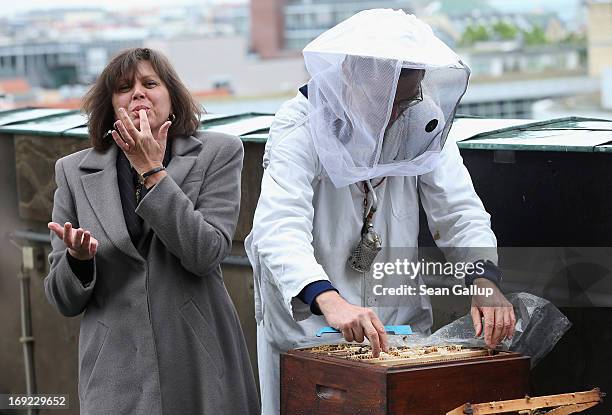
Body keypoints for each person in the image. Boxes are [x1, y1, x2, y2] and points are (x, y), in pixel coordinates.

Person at [245, 9, 516, 414]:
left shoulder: (422, 121)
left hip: (398, 320)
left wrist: (484, 278)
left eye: (407, 99)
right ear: (354, 77)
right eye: (387, 100)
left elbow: (458, 211)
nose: (396, 113)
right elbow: (278, 226)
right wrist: (330, 299)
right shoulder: (300, 126)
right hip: (311, 323)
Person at [44, 48, 259, 414]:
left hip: (199, 362)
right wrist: (78, 262)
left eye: (150, 83)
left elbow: (205, 253)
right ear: (111, 105)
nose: (138, 93)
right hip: (115, 372)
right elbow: (62, 300)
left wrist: (152, 171)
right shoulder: (73, 171)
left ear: (171, 96)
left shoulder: (219, 153)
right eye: (124, 87)